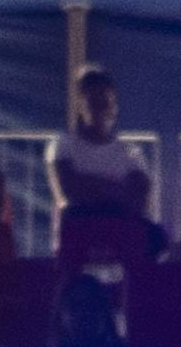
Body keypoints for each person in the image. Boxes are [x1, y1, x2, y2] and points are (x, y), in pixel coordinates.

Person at [46, 70, 154, 247]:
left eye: (106, 102)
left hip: (120, 226)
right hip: (83, 226)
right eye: (93, 102)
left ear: (115, 108)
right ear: (81, 106)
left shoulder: (130, 151)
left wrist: (90, 184)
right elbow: (69, 193)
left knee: (145, 234)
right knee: (74, 222)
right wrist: (118, 189)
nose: (100, 108)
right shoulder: (63, 145)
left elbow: (140, 200)